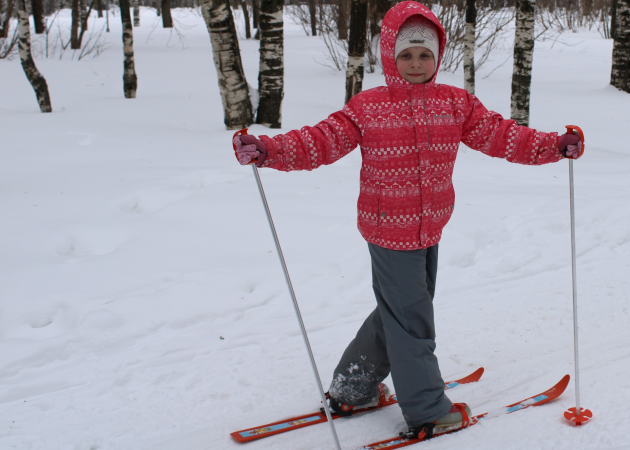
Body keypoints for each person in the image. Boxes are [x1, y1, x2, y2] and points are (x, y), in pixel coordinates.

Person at [232, 1, 582, 440]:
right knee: (412, 320)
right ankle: (427, 410)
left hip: (429, 226)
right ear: (389, 56)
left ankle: (353, 388)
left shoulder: (455, 103)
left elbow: (501, 135)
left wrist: (554, 146)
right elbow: (321, 140)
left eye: (425, 55)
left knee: (398, 312)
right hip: (387, 229)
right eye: (406, 55)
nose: (416, 63)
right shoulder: (368, 107)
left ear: (438, 56)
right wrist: (270, 150)